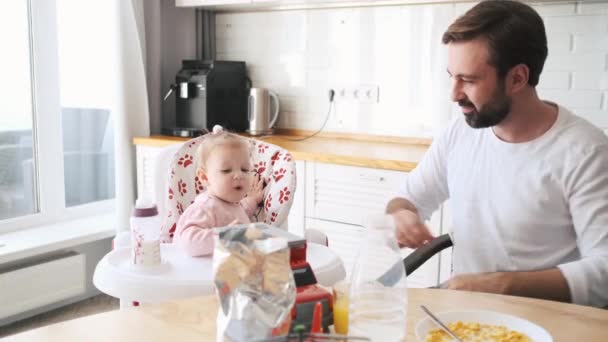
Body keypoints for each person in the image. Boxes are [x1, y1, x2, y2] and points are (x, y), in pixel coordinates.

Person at [386, 0, 608, 308]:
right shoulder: (459, 134)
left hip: (549, 321)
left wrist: (502, 285)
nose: (454, 93)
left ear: (517, 78)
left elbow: (605, 270)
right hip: (466, 316)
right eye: (452, 75)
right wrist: (401, 214)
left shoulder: (586, 152)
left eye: (470, 80)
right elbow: (407, 198)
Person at [174, 126, 265, 256]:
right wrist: (225, 235)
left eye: (245, 169)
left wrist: (252, 200)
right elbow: (188, 242)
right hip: (198, 273)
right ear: (204, 177)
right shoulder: (204, 208)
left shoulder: (230, 203)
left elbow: (237, 212)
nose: (239, 175)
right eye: (226, 170)